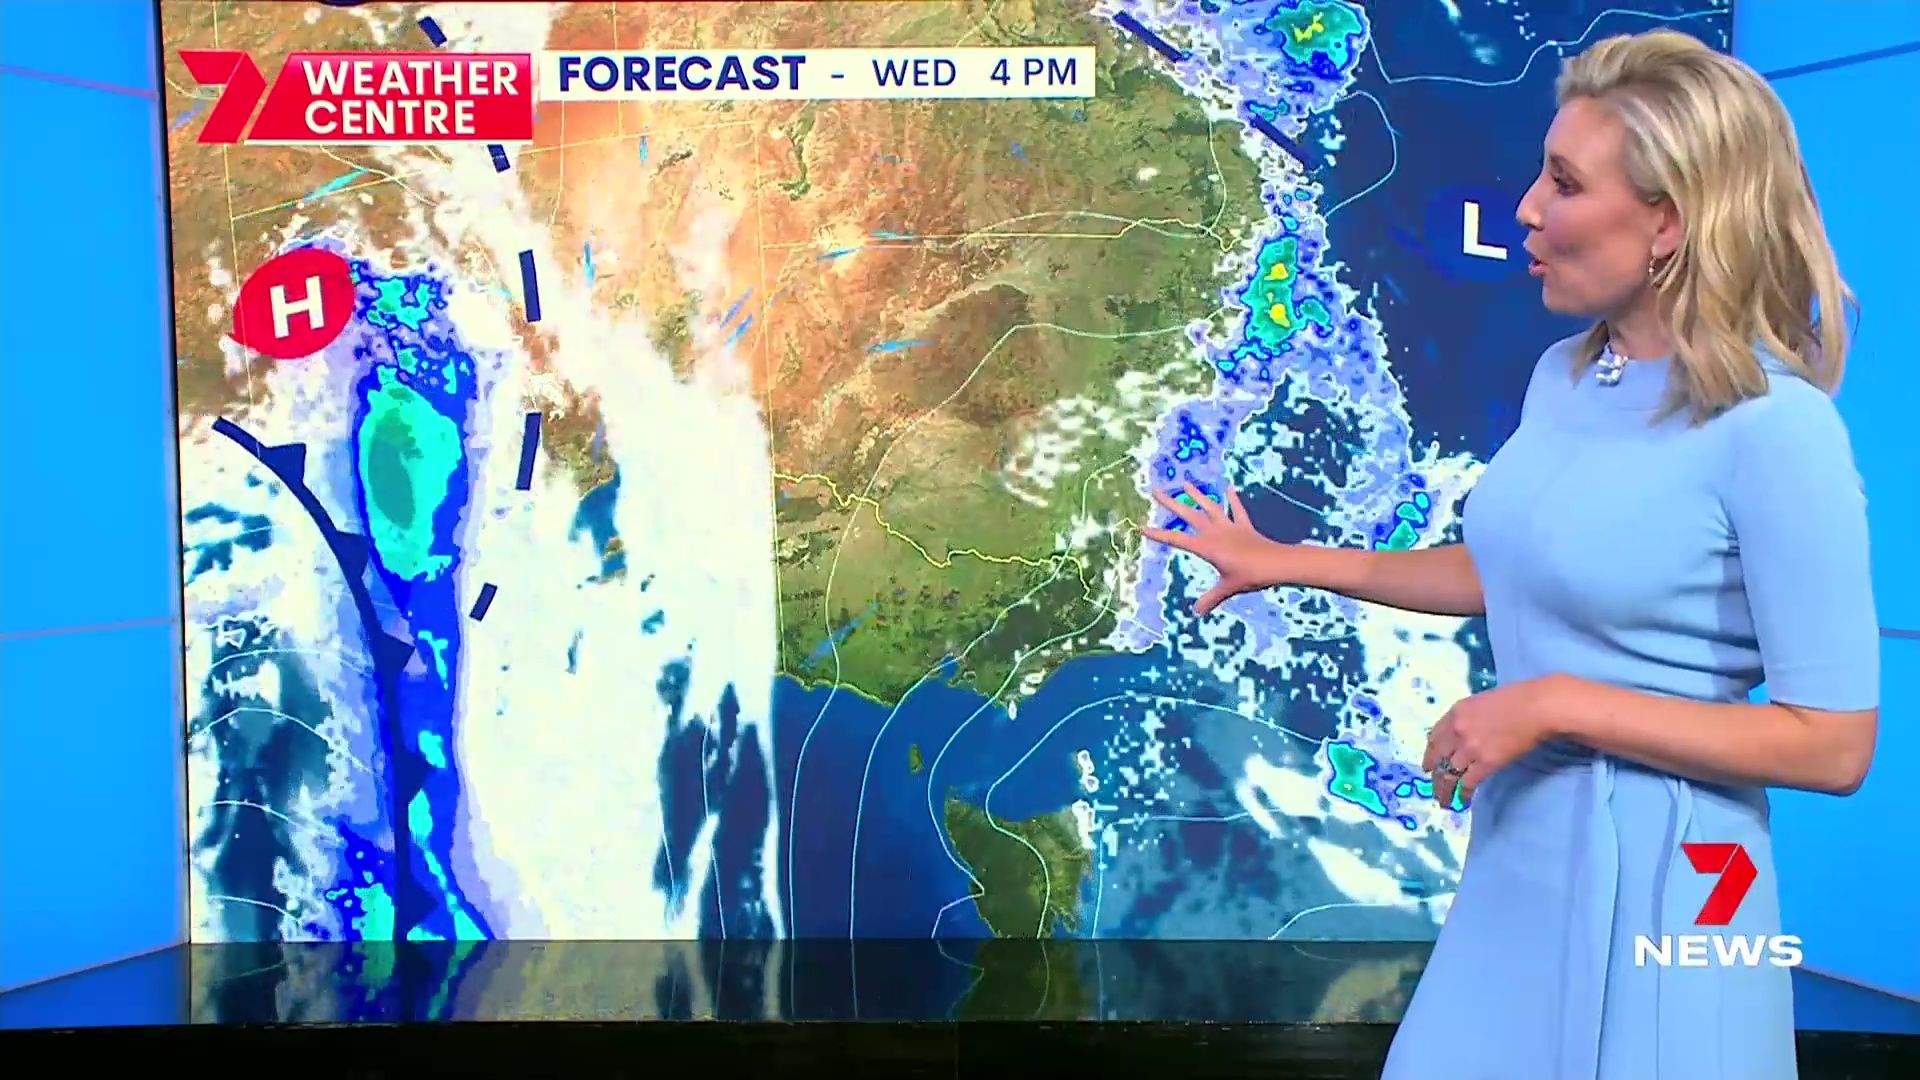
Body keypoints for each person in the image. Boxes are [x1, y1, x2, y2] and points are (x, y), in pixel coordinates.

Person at [1141, 29, 1878, 1080]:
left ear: (1667, 221)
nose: (1526, 208)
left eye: (1565, 184)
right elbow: (1516, 573)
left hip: (1674, 885)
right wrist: (1286, 559)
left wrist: (1554, 705)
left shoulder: (1777, 432)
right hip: (1520, 859)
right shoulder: (1567, 379)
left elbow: (1834, 745)